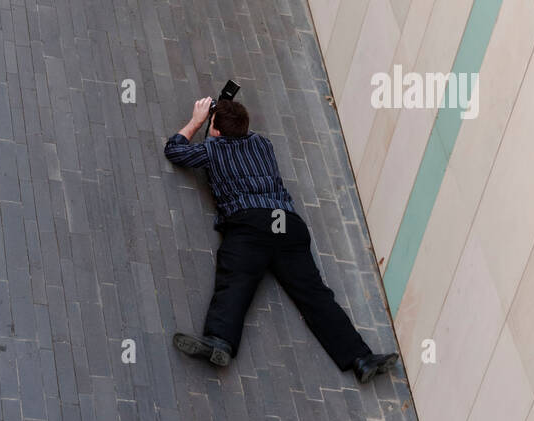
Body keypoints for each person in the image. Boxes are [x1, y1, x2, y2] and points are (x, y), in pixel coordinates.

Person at [164, 96, 400, 382]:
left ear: (214, 130)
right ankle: (360, 358)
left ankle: (220, 341)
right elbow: (236, 137)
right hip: (286, 224)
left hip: (250, 222)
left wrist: (196, 121)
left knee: (236, 281)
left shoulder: (213, 151)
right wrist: (223, 118)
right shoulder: (263, 144)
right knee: (314, 294)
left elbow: (175, 150)